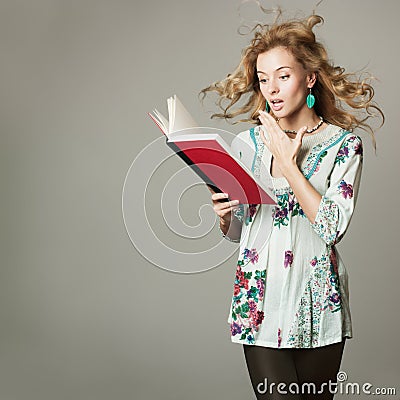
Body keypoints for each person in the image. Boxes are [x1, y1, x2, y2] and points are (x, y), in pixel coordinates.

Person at [199, 10, 384, 400]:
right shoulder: (246, 145)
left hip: (317, 296)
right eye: (264, 80)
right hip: (259, 296)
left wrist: (288, 164)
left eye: (283, 76)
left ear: (309, 77)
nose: (273, 90)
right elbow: (240, 232)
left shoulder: (342, 146)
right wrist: (226, 217)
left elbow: (332, 227)